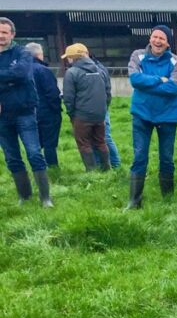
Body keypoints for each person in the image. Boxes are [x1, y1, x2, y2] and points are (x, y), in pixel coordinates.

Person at [126, 25, 177, 209]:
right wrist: (160, 79)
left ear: (168, 43)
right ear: (150, 38)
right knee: (139, 156)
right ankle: (134, 201)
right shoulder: (138, 56)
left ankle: (168, 200)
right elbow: (135, 80)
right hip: (142, 114)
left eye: (162, 38)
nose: (157, 41)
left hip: (168, 116)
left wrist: (147, 82)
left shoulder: (176, 61)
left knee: (166, 157)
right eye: (155, 37)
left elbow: (174, 88)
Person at [0, 16, 53, 207]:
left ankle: (45, 198)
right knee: (12, 157)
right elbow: (13, 77)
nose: (1, 36)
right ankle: (24, 196)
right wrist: (9, 80)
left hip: (24, 111)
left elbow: (21, 73)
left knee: (33, 153)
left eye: (5, 32)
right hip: (2, 116)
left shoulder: (22, 53)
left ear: (12, 34)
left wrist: (7, 79)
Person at [61, 42, 112, 171]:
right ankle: (107, 169)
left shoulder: (71, 73)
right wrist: (104, 109)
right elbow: (108, 92)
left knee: (84, 144)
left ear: (73, 57)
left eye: (68, 57)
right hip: (100, 114)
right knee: (101, 141)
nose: (68, 60)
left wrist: (71, 113)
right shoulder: (101, 70)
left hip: (82, 116)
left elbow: (68, 97)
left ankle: (91, 171)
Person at [25, 42, 63, 169]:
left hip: (28, 113)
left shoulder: (21, 70)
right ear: (39, 54)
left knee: (35, 144)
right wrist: (57, 110)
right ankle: (52, 168)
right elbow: (52, 93)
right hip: (46, 112)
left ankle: (37, 168)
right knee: (49, 144)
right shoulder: (43, 70)